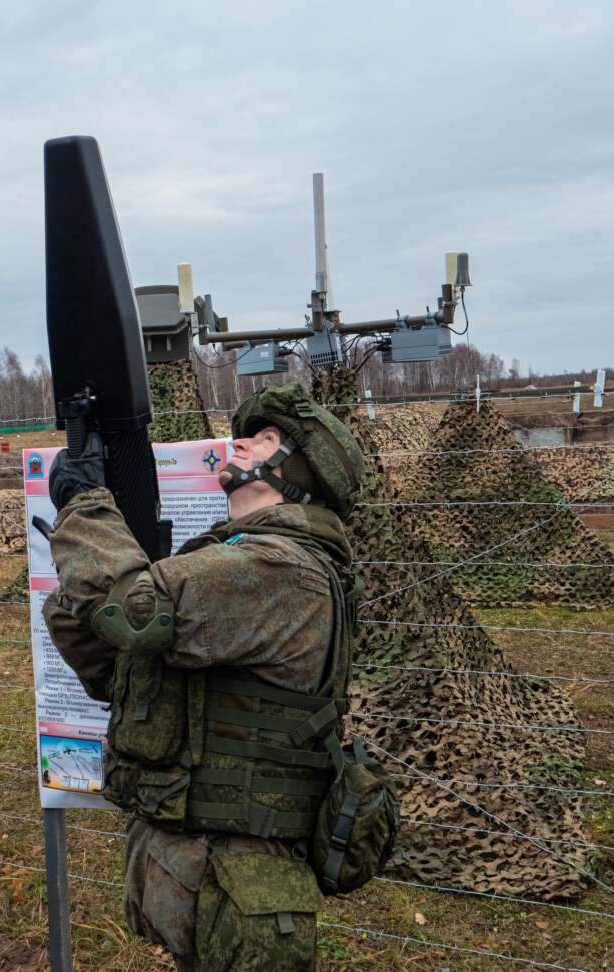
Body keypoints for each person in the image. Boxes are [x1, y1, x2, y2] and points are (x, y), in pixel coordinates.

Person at [42, 383, 365, 972]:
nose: (240, 442)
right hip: (210, 873)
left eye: (266, 438)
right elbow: (121, 671)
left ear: (302, 474)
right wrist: (87, 578)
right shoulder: (238, 557)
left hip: (243, 890)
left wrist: (87, 508)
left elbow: (135, 615)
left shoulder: (280, 568)